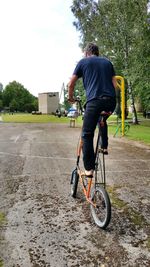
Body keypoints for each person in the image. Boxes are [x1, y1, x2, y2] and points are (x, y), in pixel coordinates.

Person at [68, 43, 117, 177]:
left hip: (94, 101)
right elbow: (115, 85)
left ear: (86, 53)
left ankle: (89, 169)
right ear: (97, 52)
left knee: (87, 134)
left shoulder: (83, 62)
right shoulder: (108, 62)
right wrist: (110, 99)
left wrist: (70, 97)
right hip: (111, 101)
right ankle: (104, 145)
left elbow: (71, 83)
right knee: (101, 120)